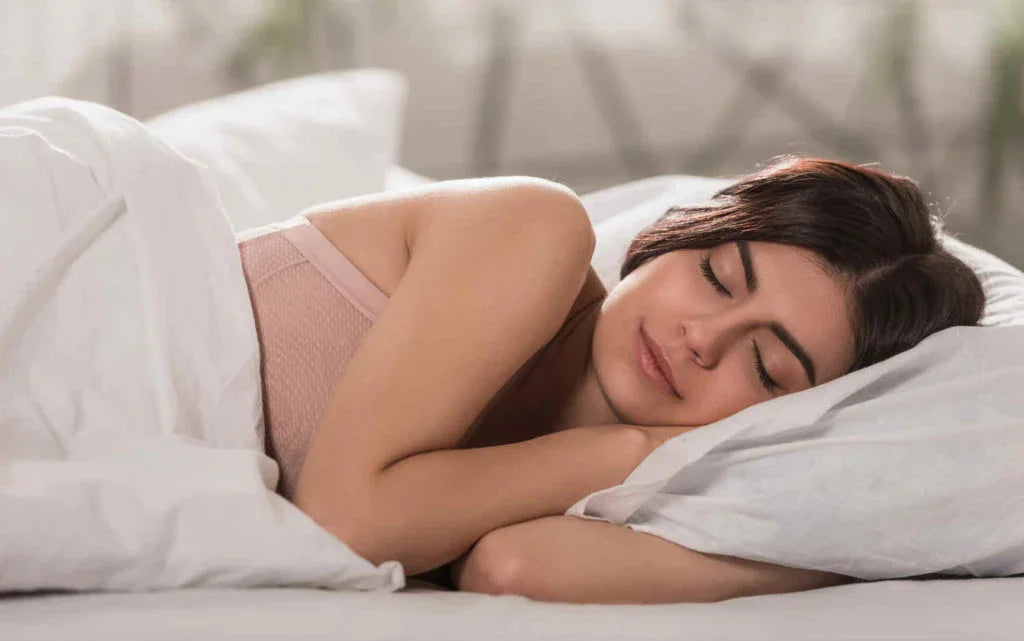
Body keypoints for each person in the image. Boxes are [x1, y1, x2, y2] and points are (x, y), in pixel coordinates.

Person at [236, 154, 984, 601]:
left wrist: (837, 563)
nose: (702, 338)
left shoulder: (634, 493)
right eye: (718, 277)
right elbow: (342, 526)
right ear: (680, 233)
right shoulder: (534, 230)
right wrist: (623, 449)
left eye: (767, 366)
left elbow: (513, 567)